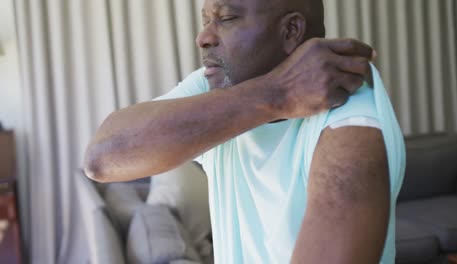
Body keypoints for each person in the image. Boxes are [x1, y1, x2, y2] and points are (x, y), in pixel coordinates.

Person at [84, 0, 405, 263]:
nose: (203, 37)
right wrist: (277, 95)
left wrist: (272, 93)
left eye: (227, 18)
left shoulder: (352, 117)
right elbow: (102, 158)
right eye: (205, 20)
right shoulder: (226, 85)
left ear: (290, 30)